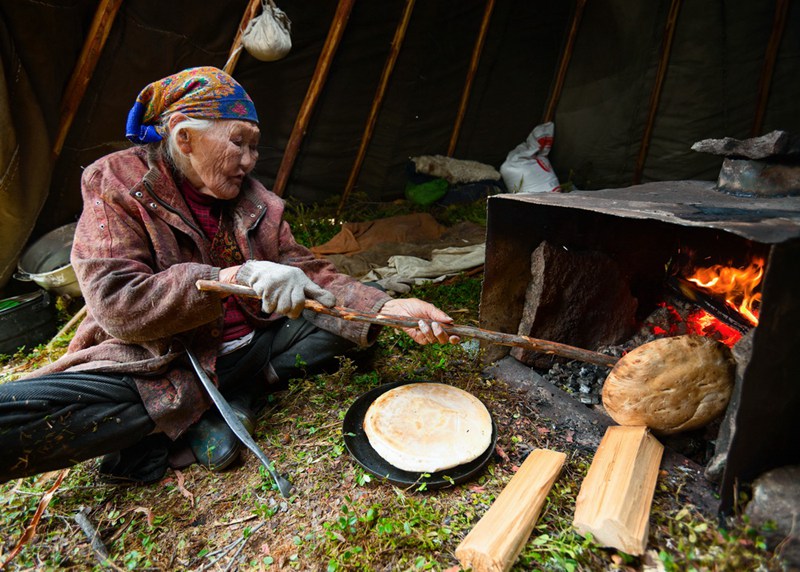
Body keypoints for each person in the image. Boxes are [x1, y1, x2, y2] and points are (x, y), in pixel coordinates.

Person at [0, 66, 459, 484]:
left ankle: (229, 397)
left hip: (253, 343)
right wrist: (234, 277)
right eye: (238, 142)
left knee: (341, 321)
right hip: (168, 357)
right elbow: (118, 304)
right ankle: (211, 402)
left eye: (255, 146)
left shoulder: (257, 201)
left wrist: (386, 307)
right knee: (36, 411)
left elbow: (310, 272)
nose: (250, 159)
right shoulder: (118, 184)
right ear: (184, 138)